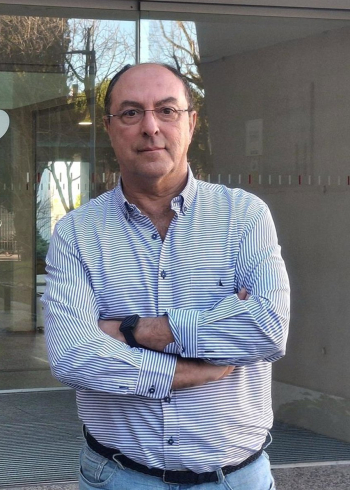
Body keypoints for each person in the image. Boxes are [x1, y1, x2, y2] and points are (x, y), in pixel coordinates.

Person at [42, 63, 290, 489]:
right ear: (110, 128)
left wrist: (136, 330)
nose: (150, 127)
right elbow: (72, 355)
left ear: (191, 123)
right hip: (118, 477)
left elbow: (267, 329)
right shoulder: (77, 233)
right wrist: (192, 370)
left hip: (234, 479)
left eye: (167, 110)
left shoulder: (245, 216)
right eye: (131, 112)